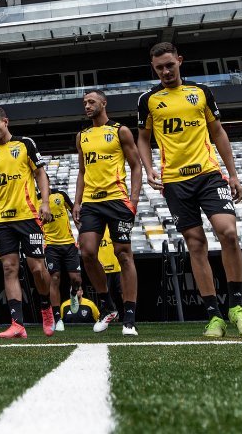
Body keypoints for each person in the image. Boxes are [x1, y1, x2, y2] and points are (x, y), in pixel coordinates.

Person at [136, 42, 242, 338]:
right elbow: (143, 138)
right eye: (159, 68)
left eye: (170, 65)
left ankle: (237, 307)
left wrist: (233, 174)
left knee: (228, 232)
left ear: (179, 61)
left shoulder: (201, 92)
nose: (165, 71)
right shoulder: (148, 100)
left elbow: (218, 132)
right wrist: (149, 166)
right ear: (154, 69)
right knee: (195, 244)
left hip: (208, 174)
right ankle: (213, 315)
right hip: (175, 182)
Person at [0, 105, 56, 338]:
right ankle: (17, 323)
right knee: (9, 268)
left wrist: (45, 203)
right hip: (3, 219)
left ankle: (46, 306)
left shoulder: (25, 144)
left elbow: (40, 174)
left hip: (28, 215)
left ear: (6, 122)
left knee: (37, 268)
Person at [73, 89, 142, 336]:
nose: (87, 106)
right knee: (88, 253)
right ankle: (107, 306)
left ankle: (130, 317)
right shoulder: (82, 136)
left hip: (117, 200)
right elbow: (82, 172)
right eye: (84, 103)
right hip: (91, 202)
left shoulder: (120, 130)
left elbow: (136, 166)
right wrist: (77, 201)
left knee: (123, 255)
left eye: (91, 101)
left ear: (104, 102)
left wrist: (133, 200)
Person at [43, 186, 82, 332]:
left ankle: (73, 293)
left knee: (76, 279)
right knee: (54, 279)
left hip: (69, 243)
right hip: (51, 245)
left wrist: (81, 231)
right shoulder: (36, 199)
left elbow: (74, 212)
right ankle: (58, 318)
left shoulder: (61, 195)